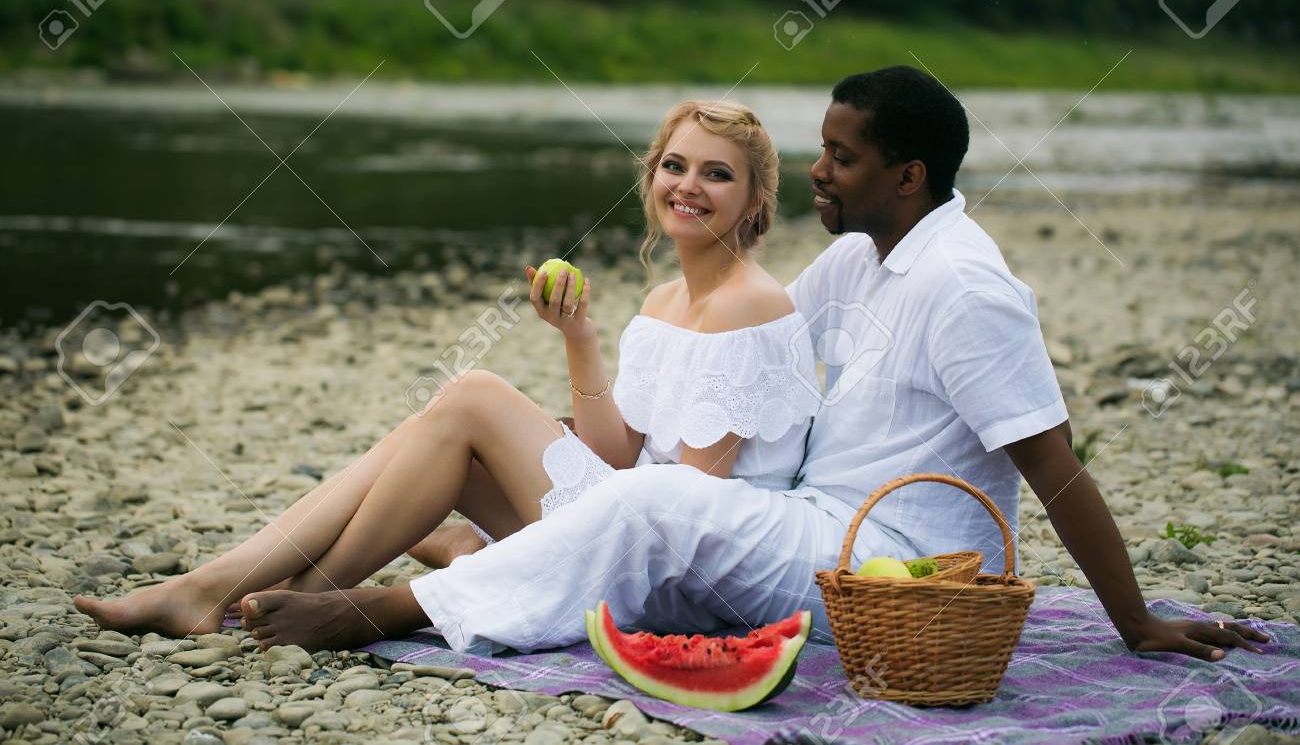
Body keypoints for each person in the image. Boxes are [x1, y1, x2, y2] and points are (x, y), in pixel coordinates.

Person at [83, 69, 1270, 664]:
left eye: (839, 159)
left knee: (656, 492)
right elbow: (734, 341)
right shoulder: (861, 263)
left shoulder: (965, 290)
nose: (820, 175)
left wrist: (1136, 621)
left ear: (907, 176)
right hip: (801, 524)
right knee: (486, 414)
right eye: (815, 154)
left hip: (885, 568)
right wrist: (596, 338)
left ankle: (376, 605)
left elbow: (1054, 468)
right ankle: (229, 586)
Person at [72, 99, 829, 644]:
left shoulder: (747, 307)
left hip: (678, 569)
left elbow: (692, 510)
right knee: (433, 433)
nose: (687, 185)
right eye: (674, 164)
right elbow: (616, 457)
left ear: (755, 199)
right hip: (630, 519)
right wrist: (579, 336)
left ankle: (239, 592)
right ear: (651, 175)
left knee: (470, 396)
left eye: (716, 174)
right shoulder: (668, 297)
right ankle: (244, 592)